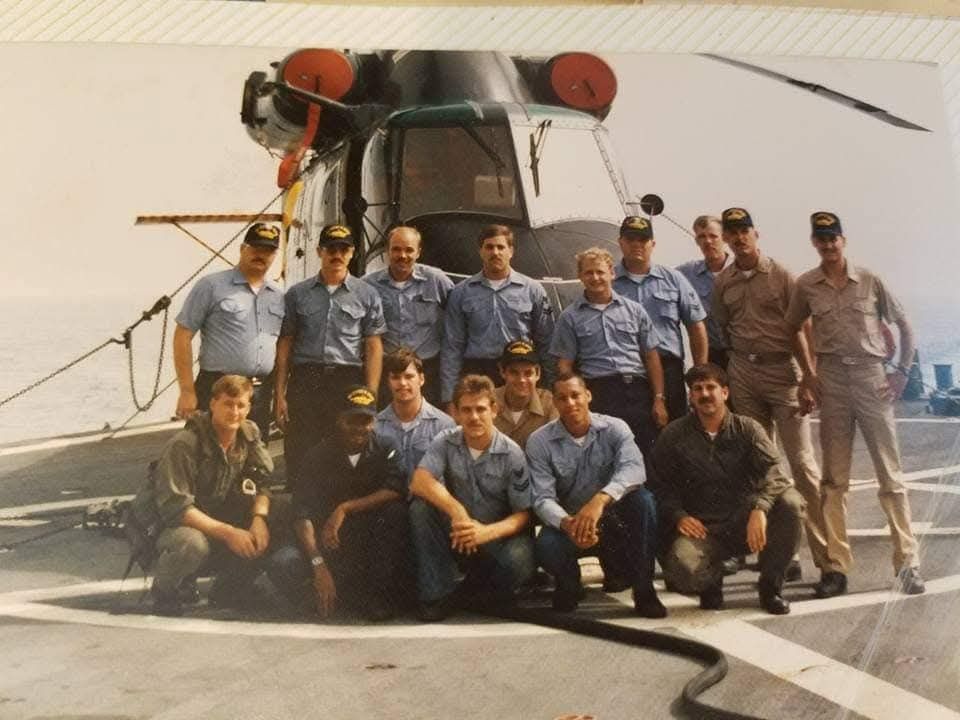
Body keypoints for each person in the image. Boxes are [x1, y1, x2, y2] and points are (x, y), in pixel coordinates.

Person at [785, 211, 924, 597]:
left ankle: (908, 562)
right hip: (832, 381)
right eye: (822, 239)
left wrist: (902, 371)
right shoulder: (807, 284)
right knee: (834, 481)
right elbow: (792, 326)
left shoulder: (869, 280)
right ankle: (835, 567)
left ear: (843, 240)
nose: (828, 245)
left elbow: (904, 323)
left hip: (871, 378)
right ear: (814, 242)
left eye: (834, 238)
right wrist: (808, 374)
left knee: (890, 476)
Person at [711, 208, 828, 584]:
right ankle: (782, 555)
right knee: (761, 466)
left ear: (756, 234)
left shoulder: (781, 275)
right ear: (726, 239)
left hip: (784, 373)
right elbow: (725, 327)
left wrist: (810, 377)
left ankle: (828, 560)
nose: (739, 238)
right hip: (744, 372)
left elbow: (803, 328)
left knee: (803, 465)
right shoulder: (724, 281)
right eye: (732, 232)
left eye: (744, 230)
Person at [651, 364, 804, 615]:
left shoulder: (747, 429)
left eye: (711, 387)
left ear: (725, 393)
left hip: (745, 521)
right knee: (683, 572)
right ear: (691, 397)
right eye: (697, 389)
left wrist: (760, 508)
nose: (705, 394)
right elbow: (659, 485)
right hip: (703, 528)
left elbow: (775, 473)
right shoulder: (674, 435)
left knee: (790, 503)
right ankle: (712, 582)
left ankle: (770, 587)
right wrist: (678, 515)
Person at [126, 375, 283, 617]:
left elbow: (263, 482)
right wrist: (230, 533)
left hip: (211, 517)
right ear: (212, 404)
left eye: (241, 405)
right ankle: (165, 590)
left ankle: (230, 588)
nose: (234, 412)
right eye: (228, 404)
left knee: (278, 514)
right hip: (167, 527)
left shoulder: (248, 435)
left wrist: (259, 519)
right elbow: (177, 509)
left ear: (249, 407)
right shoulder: (186, 444)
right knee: (192, 544)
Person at [269, 386, 414, 620]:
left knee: (396, 513)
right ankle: (321, 594)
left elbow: (395, 489)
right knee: (283, 563)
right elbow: (301, 513)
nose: (358, 428)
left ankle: (368, 596)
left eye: (365, 420)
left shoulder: (386, 447)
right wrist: (318, 564)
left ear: (374, 422)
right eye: (351, 420)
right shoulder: (317, 455)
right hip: (327, 543)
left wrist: (344, 508)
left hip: (366, 541)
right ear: (339, 420)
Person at [527, 373, 666, 617]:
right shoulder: (539, 442)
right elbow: (542, 498)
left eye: (575, 395)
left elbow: (634, 469)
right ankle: (568, 583)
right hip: (570, 523)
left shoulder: (615, 428)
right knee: (546, 544)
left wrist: (600, 500)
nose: (570, 403)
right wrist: (569, 524)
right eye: (562, 398)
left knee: (644, 502)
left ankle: (644, 591)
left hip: (612, 521)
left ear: (588, 395)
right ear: (555, 403)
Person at [409, 375, 535, 621]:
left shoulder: (512, 453)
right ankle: (437, 594)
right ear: (456, 412)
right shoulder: (445, 441)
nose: (474, 417)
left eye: (481, 409)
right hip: (459, 533)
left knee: (518, 562)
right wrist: (457, 512)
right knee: (420, 506)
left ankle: (479, 589)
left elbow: (524, 515)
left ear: (494, 410)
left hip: (495, 536)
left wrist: (485, 533)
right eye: (466, 410)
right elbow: (420, 481)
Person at [274, 223, 386, 487]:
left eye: (343, 249)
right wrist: (279, 394)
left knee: (344, 445)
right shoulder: (297, 294)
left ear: (352, 253)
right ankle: (301, 516)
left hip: (346, 379)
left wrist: (371, 394)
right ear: (319, 251)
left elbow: (373, 346)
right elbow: (286, 344)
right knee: (300, 445)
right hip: (306, 379)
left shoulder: (367, 294)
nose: (337, 255)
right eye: (330, 249)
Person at [550, 246, 666, 458]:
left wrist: (658, 398)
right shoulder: (570, 317)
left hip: (636, 392)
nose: (595, 277)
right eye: (588, 272)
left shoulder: (635, 311)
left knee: (644, 453)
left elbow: (651, 356)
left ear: (611, 273)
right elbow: (565, 364)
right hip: (599, 393)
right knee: (604, 456)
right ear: (580, 276)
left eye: (600, 271)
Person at [173, 223, 284, 438]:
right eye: (256, 248)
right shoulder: (211, 286)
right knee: (207, 457)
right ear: (243, 249)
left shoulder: (278, 295)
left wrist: (279, 395)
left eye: (268, 251)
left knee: (252, 459)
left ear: (274, 255)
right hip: (217, 388)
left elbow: (280, 346)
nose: (261, 255)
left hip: (258, 394)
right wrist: (187, 391)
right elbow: (182, 335)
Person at [441, 224, 554, 408]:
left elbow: (546, 340)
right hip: (478, 373)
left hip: (519, 372)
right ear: (480, 251)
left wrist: (550, 387)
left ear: (511, 251)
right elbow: (452, 347)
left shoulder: (532, 290)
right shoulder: (461, 293)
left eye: (501, 247)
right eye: (489, 247)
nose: (495, 252)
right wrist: (449, 397)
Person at [613, 215, 708, 421]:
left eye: (643, 240)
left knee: (674, 432)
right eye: (630, 239)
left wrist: (699, 374)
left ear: (652, 244)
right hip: (627, 370)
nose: (637, 245)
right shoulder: (609, 283)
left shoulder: (673, 279)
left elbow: (696, 325)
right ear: (620, 242)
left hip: (669, 370)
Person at [363, 225, 455, 404]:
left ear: (418, 252)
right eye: (396, 249)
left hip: (428, 370)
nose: (402, 256)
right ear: (387, 251)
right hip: (386, 370)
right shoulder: (368, 286)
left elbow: (457, 316)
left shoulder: (436, 281)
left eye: (409, 250)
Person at [374, 348, 456, 483]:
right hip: (388, 502)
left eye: (409, 376)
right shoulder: (376, 427)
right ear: (388, 382)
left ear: (421, 379)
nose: (402, 383)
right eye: (395, 377)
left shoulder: (444, 425)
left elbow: (452, 478)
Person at [676, 215, 733, 370]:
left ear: (725, 238)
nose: (708, 241)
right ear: (696, 241)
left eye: (713, 236)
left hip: (741, 355)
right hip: (710, 355)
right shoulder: (686, 274)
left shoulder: (740, 269)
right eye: (702, 237)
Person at [493, 340, 558, 449]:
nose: (521, 380)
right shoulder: (487, 401)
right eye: (514, 373)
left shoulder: (550, 404)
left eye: (528, 373)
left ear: (538, 373)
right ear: (502, 372)